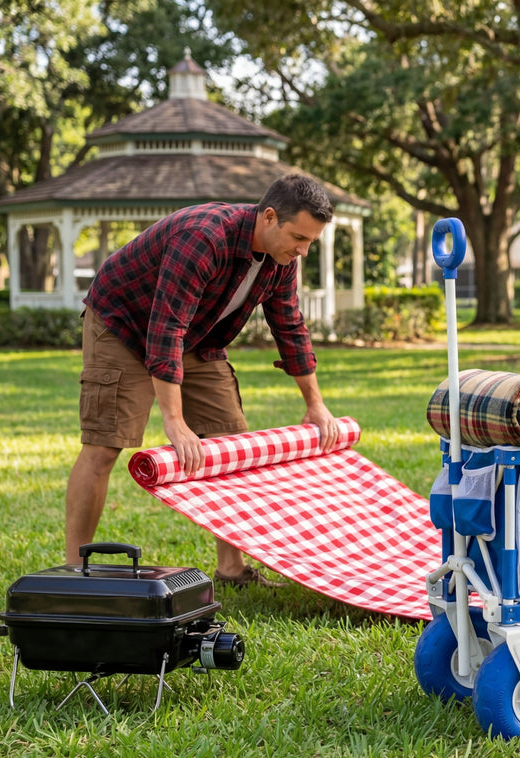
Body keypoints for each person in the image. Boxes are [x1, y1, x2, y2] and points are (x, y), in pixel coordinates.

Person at [64, 173, 343, 587]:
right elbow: (165, 327)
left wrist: (315, 403)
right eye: (299, 237)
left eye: (310, 242)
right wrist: (174, 421)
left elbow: (289, 326)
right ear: (268, 217)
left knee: (231, 448)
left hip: (197, 338)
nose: (303, 250)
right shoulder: (204, 237)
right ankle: (73, 573)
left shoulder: (283, 260)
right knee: (105, 446)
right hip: (124, 327)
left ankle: (231, 569)